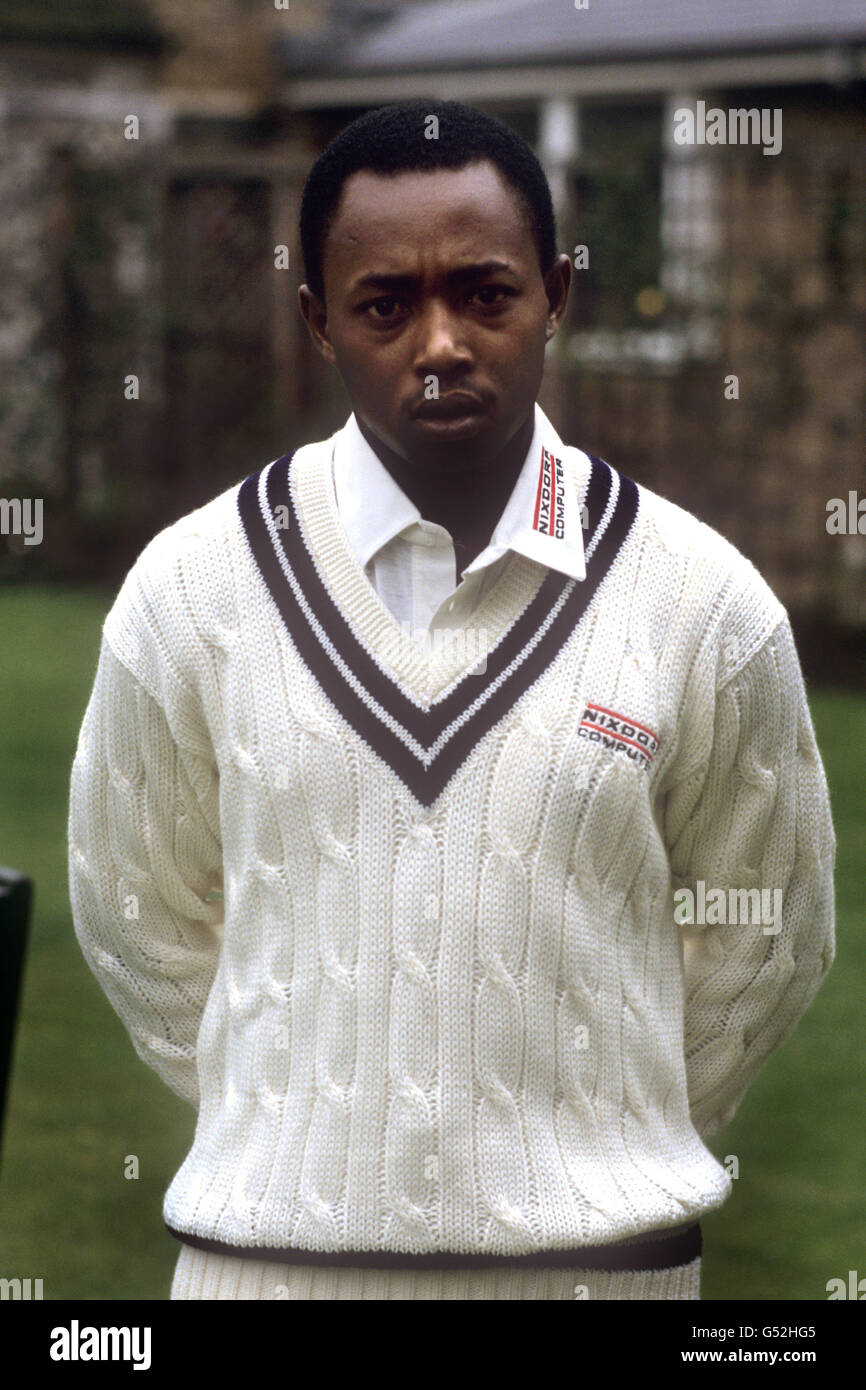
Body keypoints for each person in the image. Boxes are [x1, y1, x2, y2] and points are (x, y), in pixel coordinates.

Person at [67, 100, 836, 1302]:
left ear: (557, 293)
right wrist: (302, 1120)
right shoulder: (188, 591)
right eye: (386, 304)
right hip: (270, 1274)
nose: (440, 342)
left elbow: (766, 935)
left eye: (484, 293)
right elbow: (134, 913)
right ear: (319, 320)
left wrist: (592, 1130)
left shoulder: (703, 604)